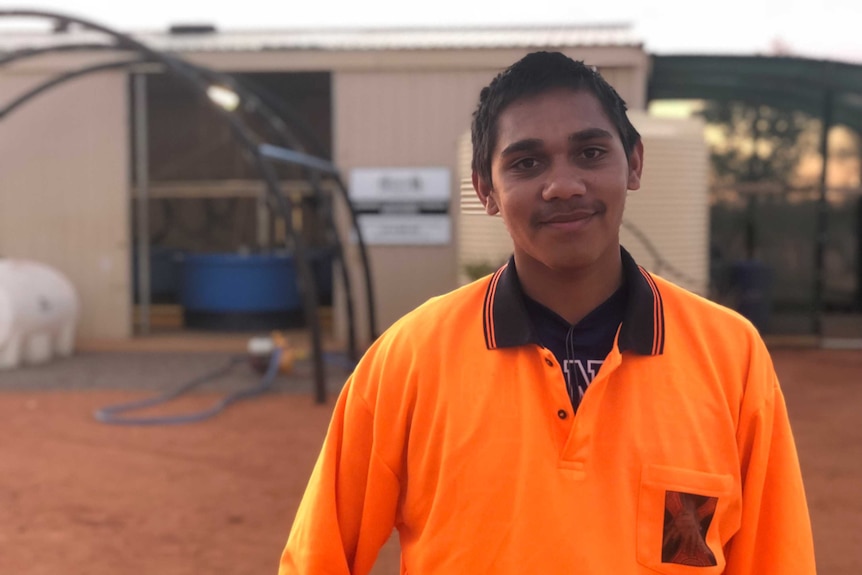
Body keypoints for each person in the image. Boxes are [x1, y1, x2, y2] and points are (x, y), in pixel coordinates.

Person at [278, 51, 816, 574]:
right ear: (485, 190)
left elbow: (775, 559)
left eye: (590, 153)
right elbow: (316, 558)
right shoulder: (410, 358)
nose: (563, 185)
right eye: (526, 163)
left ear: (634, 162)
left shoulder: (731, 356)